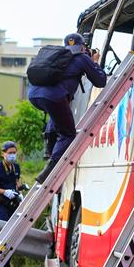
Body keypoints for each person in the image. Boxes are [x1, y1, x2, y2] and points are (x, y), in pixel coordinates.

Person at [29, 33, 107, 183]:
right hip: (53, 97)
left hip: (34, 95)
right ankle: (50, 169)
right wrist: (94, 62)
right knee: (68, 134)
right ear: (83, 47)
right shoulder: (83, 58)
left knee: (57, 111)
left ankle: (49, 147)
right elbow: (100, 81)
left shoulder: (57, 57)